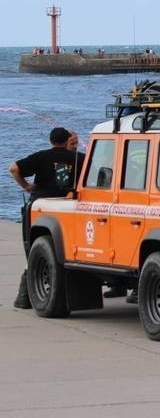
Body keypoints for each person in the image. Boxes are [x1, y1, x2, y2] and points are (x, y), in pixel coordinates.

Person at [9, 128, 84, 309]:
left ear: (50, 140)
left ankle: (26, 296)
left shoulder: (42, 156)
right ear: (67, 141)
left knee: (35, 249)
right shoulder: (79, 158)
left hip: (41, 205)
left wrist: (27, 186)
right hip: (68, 205)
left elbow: (14, 168)